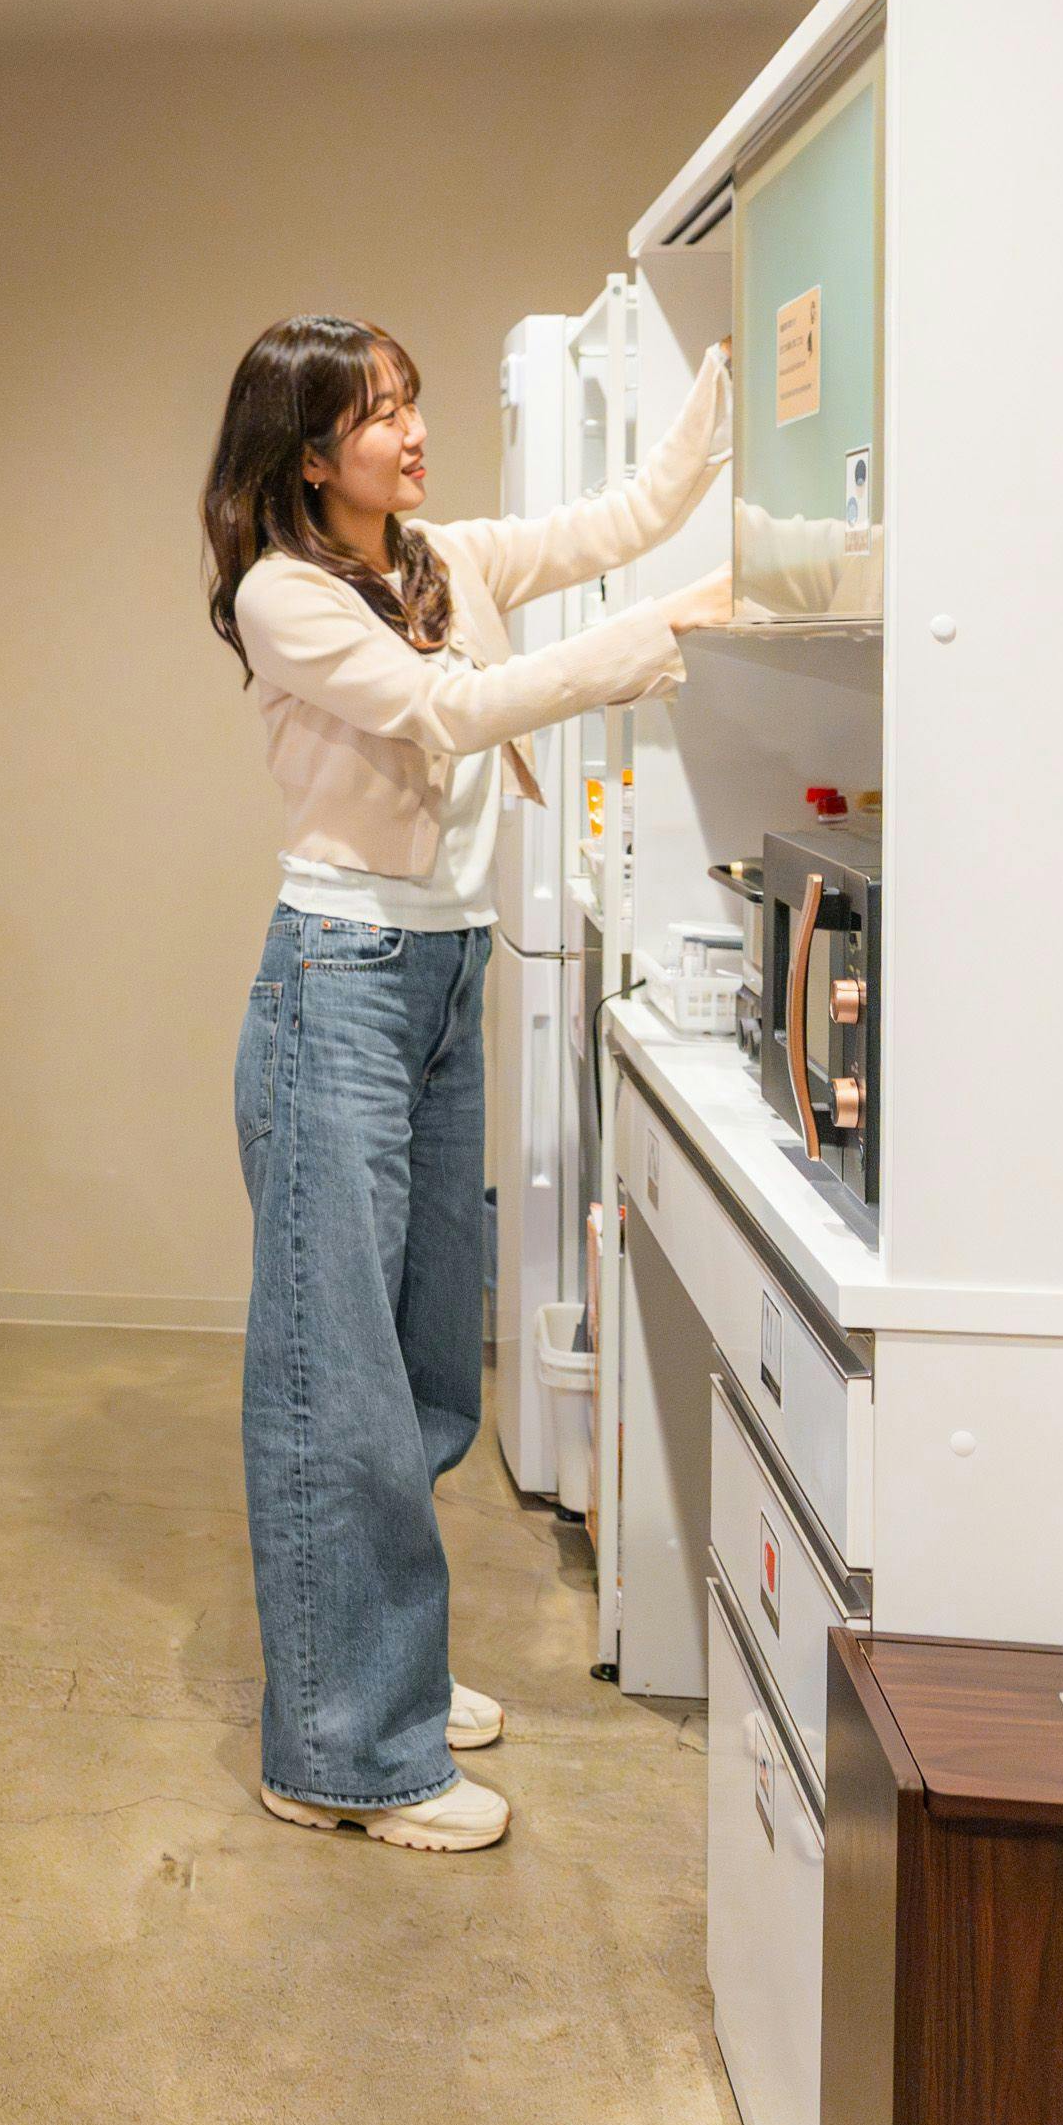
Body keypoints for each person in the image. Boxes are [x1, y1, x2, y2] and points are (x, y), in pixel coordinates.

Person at [200, 312, 732, 1853]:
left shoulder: (437, 562)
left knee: (429, 1364)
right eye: (379, 413)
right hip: (339, 985)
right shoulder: (285, 594)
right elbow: (441, 711)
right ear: (310, 452)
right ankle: (342, 1752)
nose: (412, 431)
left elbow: (618, 518)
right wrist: (655, 637)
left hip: (436, 976)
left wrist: (719, 381)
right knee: (338, 1384)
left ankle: (385, 1667)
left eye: (412, 402)